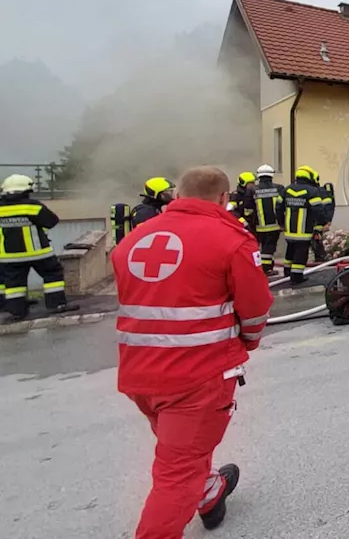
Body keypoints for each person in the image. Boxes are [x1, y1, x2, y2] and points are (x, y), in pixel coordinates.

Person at [112, 166, 273, 538]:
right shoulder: (230, 238)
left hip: (140, 376)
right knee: (176, 475)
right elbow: (256, 307)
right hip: (197, 378)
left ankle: (210, 491)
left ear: (177, 196)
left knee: (179, 450)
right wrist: (246, 342)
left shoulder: (135, 238)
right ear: (223, 198)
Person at [1, 174, 77, 321]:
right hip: (37, 252)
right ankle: (56, 304)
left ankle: (17, 311)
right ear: (26, 190)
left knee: (14, 284)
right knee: (52, 274)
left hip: (9, 256)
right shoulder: (32, 206)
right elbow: (52, 221)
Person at [281, 166, 332, 284]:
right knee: (301, 252)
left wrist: (281, 223)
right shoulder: (312, 191)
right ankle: (297, 277)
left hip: (289, 229)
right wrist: (323, 222)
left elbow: (279, 207)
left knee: (290, 250)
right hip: (304, 230)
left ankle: (287, 272)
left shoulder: (287, 190)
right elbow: (318, 210)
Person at [250, 165, 284, 275]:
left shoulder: (252, 190)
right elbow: (282, 207)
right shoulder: (279, 188)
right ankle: (266, 269)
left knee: (264, 247)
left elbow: (248, 210)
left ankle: (267, 266)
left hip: (259, 227)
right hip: (275, 225)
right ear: (272, 175)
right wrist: (282, 223)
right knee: (269, 249)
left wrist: (252, 224)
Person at [310, 177, 336, 262]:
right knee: (316, 240)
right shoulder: (320, 191)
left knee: (316, 240)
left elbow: (327, 208)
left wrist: (327, 222)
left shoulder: (316, 192)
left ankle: (321, 257)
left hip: (318, 223)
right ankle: (320, 257)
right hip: (318, 222)